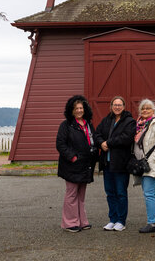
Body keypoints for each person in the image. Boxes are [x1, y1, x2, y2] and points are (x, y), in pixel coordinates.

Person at [56, 95, 97, 233]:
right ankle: (69, 223)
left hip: (85, 165)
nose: (79, 110)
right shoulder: (66, 125)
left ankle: (82, 221)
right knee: (71, 194)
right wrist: (73, 157)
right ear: (71, 111)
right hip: (72, 165)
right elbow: (60, 145)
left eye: (81, 108)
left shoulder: (88, 124)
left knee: (81, 195)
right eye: (76, 108)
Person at [95, 96, 136, 231]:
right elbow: (97, 134)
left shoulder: (129, 121)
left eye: (119, 105)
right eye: (115, 104)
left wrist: (109, 143)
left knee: (121, 193)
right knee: (110, 193)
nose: (117, 107)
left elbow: (127, 138)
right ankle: (112, 219)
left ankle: (121, 220)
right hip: (107, 164)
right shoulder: (107, 120)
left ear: (124, 107)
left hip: (121, 164)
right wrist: (101, 143)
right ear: (111, 106)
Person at [133, 98, 155, 233]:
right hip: (145, 164)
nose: (145, 110)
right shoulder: (141, 124)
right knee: (151, 193)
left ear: (154, 110)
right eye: (143, 108)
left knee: (149, 193)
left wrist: (152, 159)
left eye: (148, 108)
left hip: (152, 164)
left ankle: (152, 223)